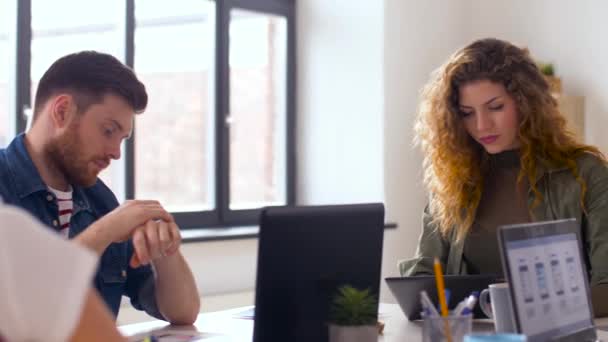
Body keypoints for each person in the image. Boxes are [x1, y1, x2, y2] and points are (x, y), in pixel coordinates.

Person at [399, 38, 608, 315]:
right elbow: (423, 279)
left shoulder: (585, 173)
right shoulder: (453, 178)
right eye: (467, 113)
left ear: (527, 104)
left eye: (496, 107)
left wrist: (522, 305)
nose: (482, 125)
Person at [0, 51, 200, 323]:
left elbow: (183, 313)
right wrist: (106, 231)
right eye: (108, 131)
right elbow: (19, 309)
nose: (116, 153)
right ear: (62, 111)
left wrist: (164, 249)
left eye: (122, 139)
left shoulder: (99, 200)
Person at [0, 203, 124, 342]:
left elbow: (144, 287)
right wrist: (103, 231)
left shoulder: (100, 198)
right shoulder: (8, 232)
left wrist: (154, 257)